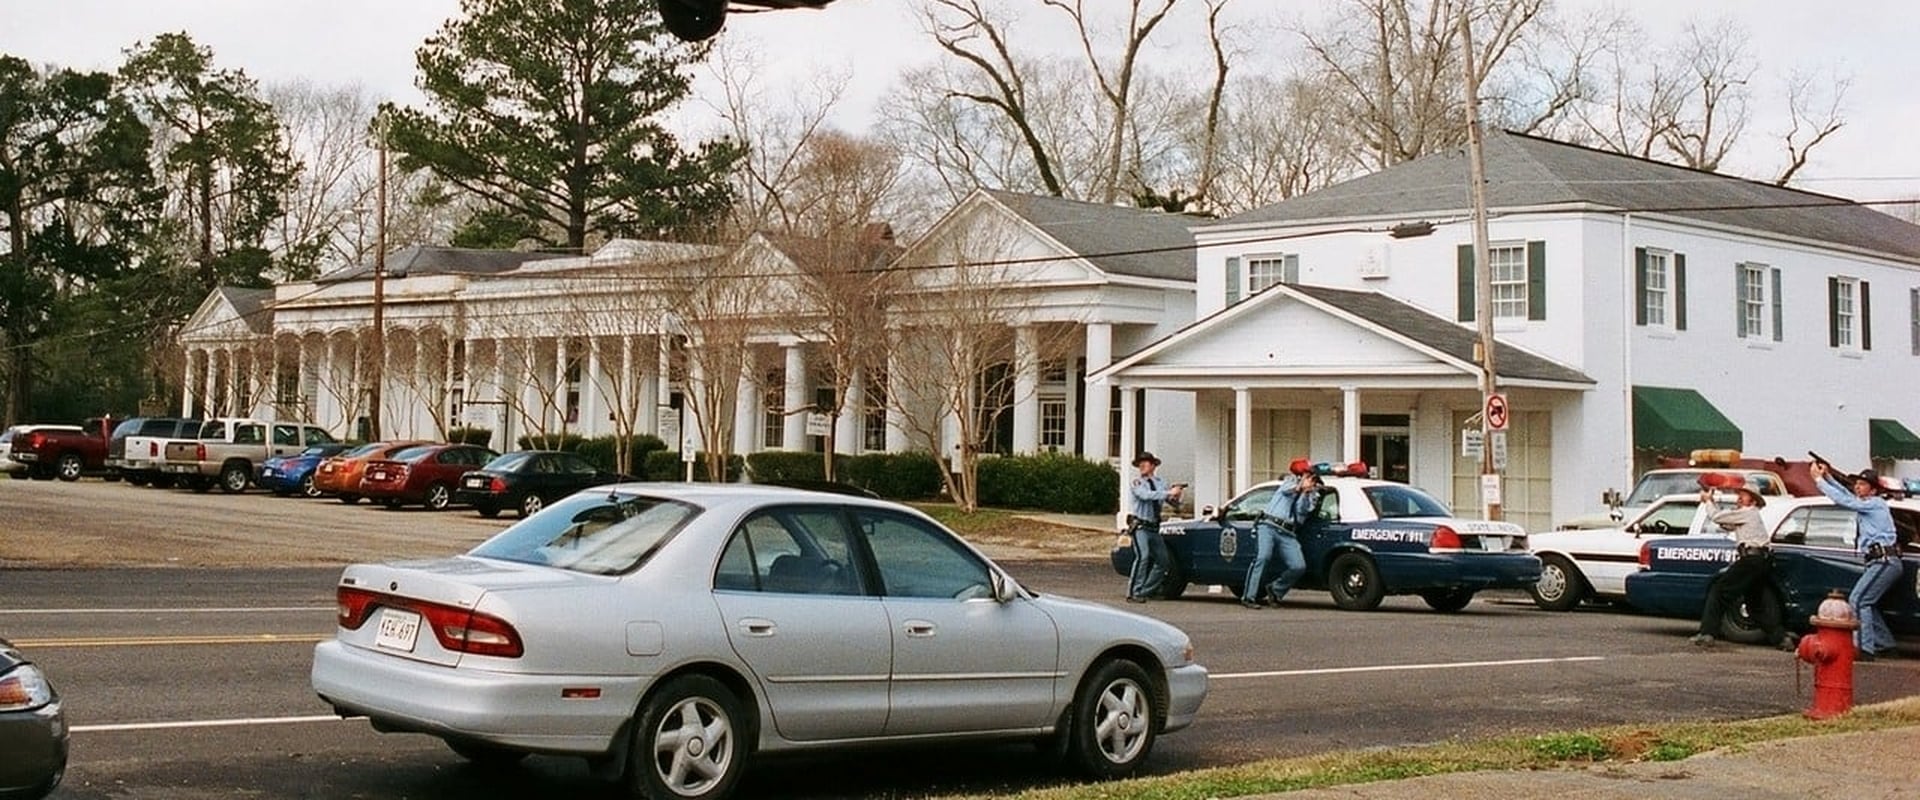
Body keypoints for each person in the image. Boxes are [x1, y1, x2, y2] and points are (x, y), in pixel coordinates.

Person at [1810, 461, 1900, 660]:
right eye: (1857, 483)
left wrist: (1818, 480)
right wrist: (1828, 477)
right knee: (1867, 602)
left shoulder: (1875, 503)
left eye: (1862, 484)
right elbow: (1847, 495)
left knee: (1858, 600)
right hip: (1881, 560)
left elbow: (1847, 501)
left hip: (1883, 559)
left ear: (1873, 490)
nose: (1857, 486)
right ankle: (1886, 644)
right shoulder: (1867, 503)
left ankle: (1863, 649)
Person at [1689, 485, 1792, 650]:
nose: (1739, 498)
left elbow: (1717, 517)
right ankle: (1781, 638)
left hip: (1751, 559)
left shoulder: (1747, 512)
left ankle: (1707, 633)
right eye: (1739, 495)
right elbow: (1726, 523)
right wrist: (1712, 502)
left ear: (1752, 500)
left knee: (1719, 590)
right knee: (1755, 603)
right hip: (1761, 560)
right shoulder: (1750, 514)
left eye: (1743, 495)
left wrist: (1708, 501)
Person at [1241, 459, 1318, 609]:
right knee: (1263, 557)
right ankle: (1248, 597)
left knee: (1298, 566)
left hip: (1288, 532)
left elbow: (1303, 512)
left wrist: (1306, 493)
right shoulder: (1289, 481)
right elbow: (1286, 490)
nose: (1310, 480)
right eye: (1308, 475)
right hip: (1268, 525)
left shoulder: (1312, 493)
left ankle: (1275, 590)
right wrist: (1300, 487)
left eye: (1312, 478)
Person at [1125, 451, 1183, 603]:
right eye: (1140, 464)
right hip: (1141, 526)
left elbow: (1174, 504)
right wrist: (1168, 492)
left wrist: (1176, 496)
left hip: (1154, 527)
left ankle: (1146, 590)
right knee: (1142, 557)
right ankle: (1133, 592)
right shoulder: (1137, 483)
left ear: (1153, 466)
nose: (1142, 467)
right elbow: (1146, 495)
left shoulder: (1161, 483)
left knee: (1163, 561)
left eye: (1145, 464)